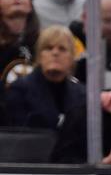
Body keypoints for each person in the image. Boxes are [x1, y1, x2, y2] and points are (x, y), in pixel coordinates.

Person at [6, 24, 86, 163]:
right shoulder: (19, 90)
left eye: (62, 49)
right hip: (30, 167)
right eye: (48, 48)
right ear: (39, 55)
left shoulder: (82, 94)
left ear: (72, 58)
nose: (55, 53)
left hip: (73, 169)